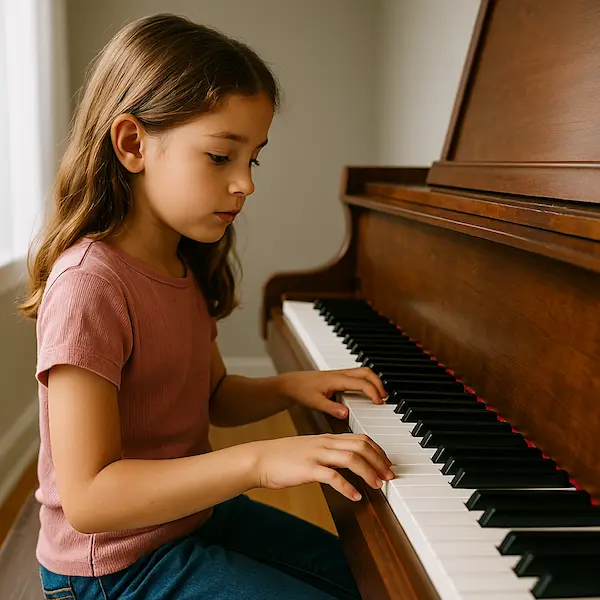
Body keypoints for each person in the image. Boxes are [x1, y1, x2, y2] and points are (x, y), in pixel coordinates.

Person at [19, 13, 395, 600]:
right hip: (114, 566)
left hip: (191, 516)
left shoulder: (181, 260)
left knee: (376, 582)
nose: (246, 183)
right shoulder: (90, 287)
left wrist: (291, 386)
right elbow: (91, 499)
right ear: (132, 144)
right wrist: (260, 463)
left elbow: (212, 395)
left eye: (254, 159)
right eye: (221, 157)